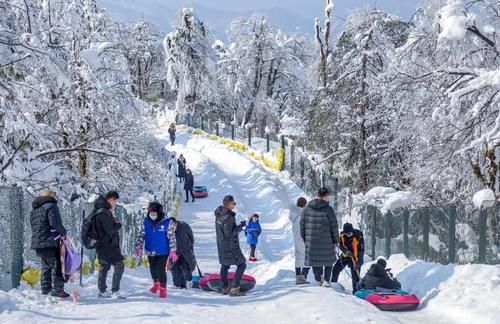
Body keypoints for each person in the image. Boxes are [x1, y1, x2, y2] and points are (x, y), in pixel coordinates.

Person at [30, 191, 69, 298]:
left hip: (37, 242)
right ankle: (57, 290)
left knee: (45, 266)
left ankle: (45, 289)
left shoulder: (34, 210)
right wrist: (63, 232)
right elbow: (55, 223)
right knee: (57, 265)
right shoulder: (51, 206)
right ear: (51, 197)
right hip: (49, 241)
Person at [300, 187, 339, 287]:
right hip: (327, 241)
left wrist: (305, 238)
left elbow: (302, 225)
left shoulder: (307, 209)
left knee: (315, 260)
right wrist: (336, 240)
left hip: (312, 241)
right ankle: (326, 280)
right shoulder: (328, 209)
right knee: (328, 261)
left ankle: (318, 279)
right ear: (326, 196)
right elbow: (334, 226)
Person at [135, 201, 171, 298]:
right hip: (150, 249)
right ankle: (156, 284)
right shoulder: (146, 221)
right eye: (151, 213)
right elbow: (141, 234)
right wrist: (138, 245)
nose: (152, 215)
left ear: (159, 213)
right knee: (153, 269)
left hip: (163, 250)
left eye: (154, 214)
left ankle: (163, 288)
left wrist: (173, 250)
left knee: (160, 269)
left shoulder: (167, 222)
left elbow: (172, 237)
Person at [94, 191, 125, 299]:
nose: (115, 204)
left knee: (104, 266)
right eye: (115, 201)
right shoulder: (103, 212)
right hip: (107, 245)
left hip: (103, 244)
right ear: (111, 199)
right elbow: (109, 230)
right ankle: (114, 291)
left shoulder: (101, 210)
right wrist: (119, 225)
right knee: (119, 265)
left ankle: (102, 291)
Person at [215, 195, 247, 297]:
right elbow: (229, 234)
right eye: (234, 203)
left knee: (225, 265)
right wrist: (240, 227)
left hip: (221, 244)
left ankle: (225, 288)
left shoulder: (219, 214)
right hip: (230, 246)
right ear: (229, 204)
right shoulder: (228, 217)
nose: (234, 205)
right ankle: (234, 288)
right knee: (242, 265)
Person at [331, 223, 364, 293]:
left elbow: (361, 251)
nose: (348, 235)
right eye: (347, 233)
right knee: (336, 269)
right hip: (346, 255)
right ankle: (333, 286)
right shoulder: (342, 235)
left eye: (350, 233)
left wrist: (358, 263)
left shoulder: (359, 236)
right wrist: (346, 251)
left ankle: (356, 293)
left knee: (355, 276)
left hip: (356, 257)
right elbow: (340, 245)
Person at [168, 217, 196, 289]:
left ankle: (189, 282)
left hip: (185, 251)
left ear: (175, 222)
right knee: (174, 268)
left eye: (172, 225)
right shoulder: (169, 230)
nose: (171, 227)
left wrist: (189, 246)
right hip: (174, 252)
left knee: (186, 267)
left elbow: (191, 237)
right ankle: (177, 284)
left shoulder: (184, 225)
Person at [290, 197, 310, 285]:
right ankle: (303, 277)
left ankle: (298, 277)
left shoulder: (293, 214)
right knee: (308, 258)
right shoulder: (303, 214)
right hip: (305, 238)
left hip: (296, 238)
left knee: (298, 258)